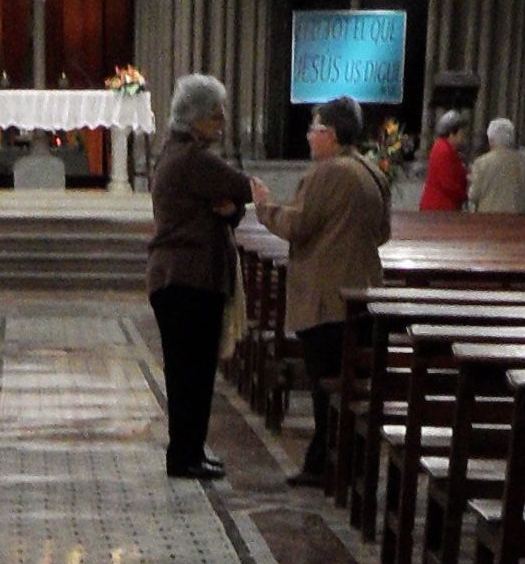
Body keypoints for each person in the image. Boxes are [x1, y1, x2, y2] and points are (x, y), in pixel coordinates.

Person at [252, 97, 389, 487]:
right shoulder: (370, 170)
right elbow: (383, 233)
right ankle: (345, 461)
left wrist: (265, 208)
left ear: (329, 133)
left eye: (313, 129)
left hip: (326, 299)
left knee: (325, 386)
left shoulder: (328, 174)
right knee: (347, 386)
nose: (309, 137)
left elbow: (299, 226)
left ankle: (326, 464)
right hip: (362, 294)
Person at [146, 70, 252, 479]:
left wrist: (232, 210)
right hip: (186, 279)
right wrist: (238, 203)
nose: (223, 121)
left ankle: (191, 448)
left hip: (185, 279)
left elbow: (228, 204)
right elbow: (242, 187)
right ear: (196, 117)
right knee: (189, 372)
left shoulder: (180, 152)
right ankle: (184, 455)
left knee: (195, 371)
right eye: (216, 114)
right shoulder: (193, 158)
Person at [467, 116, 525, 214]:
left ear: (491, 140)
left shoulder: (481, 162)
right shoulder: (523, 162)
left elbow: (473, 195)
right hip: (516, 220)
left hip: (488, 219)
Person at [419, 110, 471, 212]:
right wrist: (465, 195)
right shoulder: (443, 149)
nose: (464, 136)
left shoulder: (448, 149)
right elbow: (447, 183)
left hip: (445, 206)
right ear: (452, 133)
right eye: (461, 132)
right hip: (439, 207)